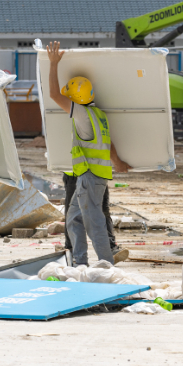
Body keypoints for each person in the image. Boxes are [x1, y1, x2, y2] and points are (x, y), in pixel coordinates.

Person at [46, 41, 132, 266]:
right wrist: (118, 162)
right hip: (96, 176)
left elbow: (54, 94)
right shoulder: (98, 114)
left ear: (75, 98)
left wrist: (54, 64)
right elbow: (108, 143)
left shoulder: (82, 114)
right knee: (73, 219)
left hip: (89, 178)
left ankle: (106, 266)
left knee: (94, 223)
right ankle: (79, 263)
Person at [62, 169, 128, 264]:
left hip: (88, 174)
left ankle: (105, 259)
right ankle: (77, 257)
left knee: (92, 218)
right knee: (75, 217)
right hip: (83, 173)